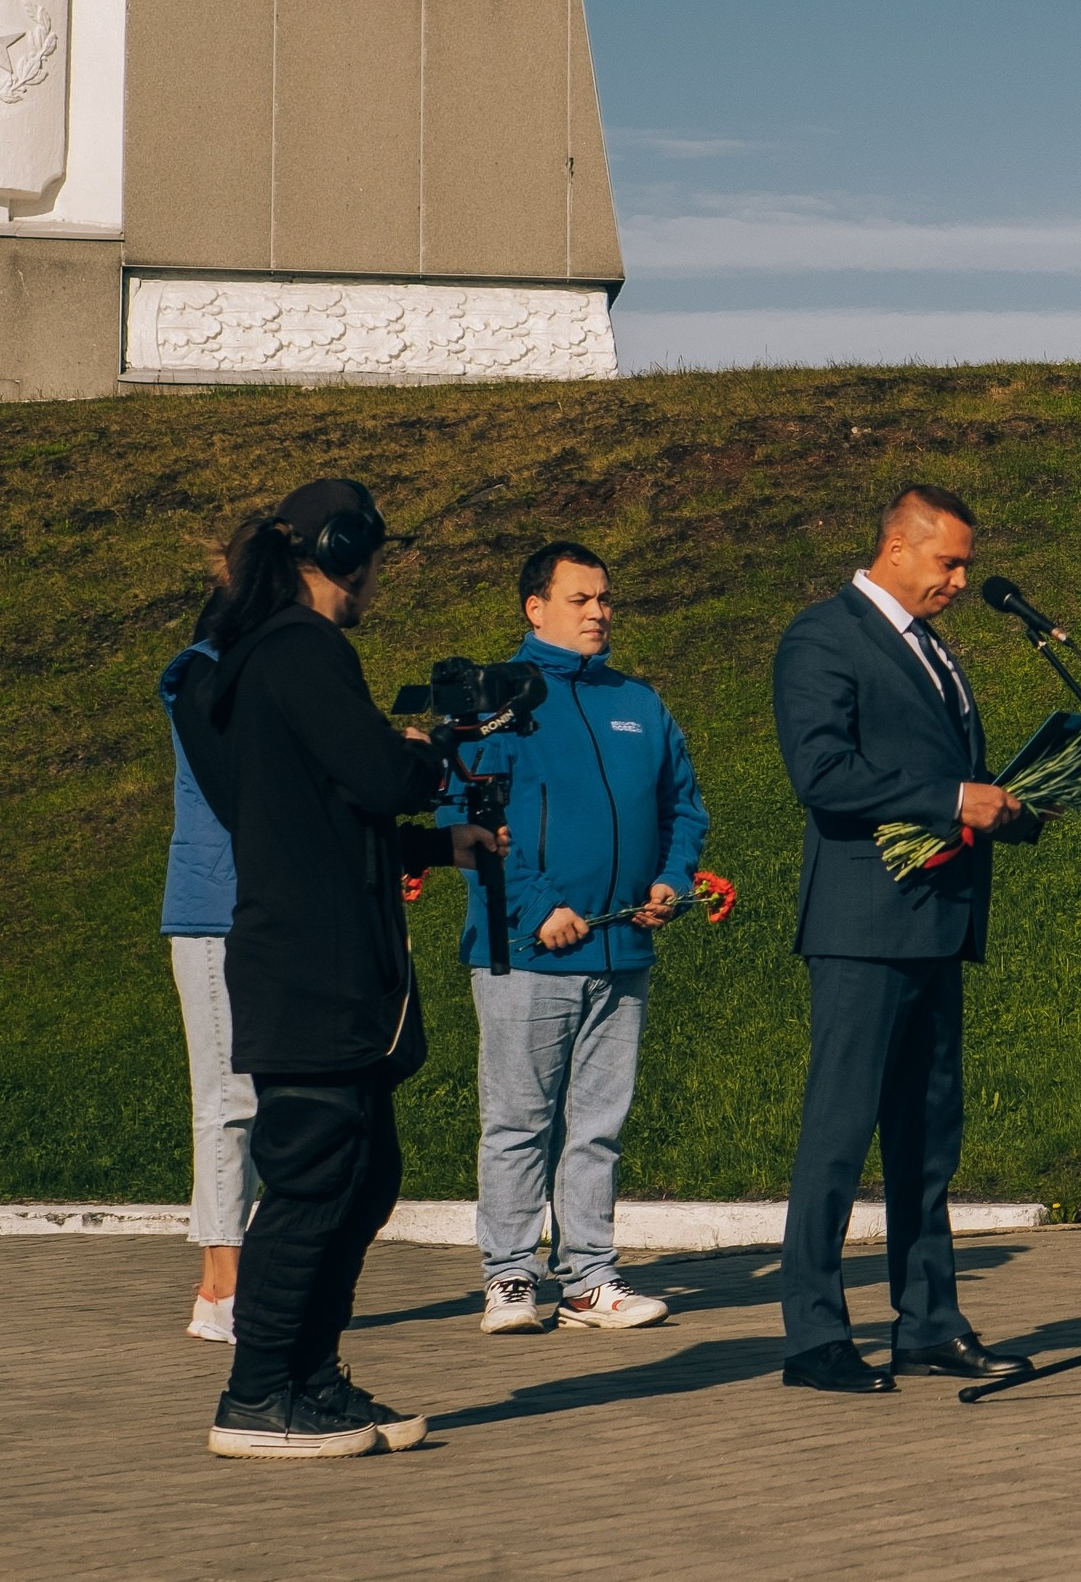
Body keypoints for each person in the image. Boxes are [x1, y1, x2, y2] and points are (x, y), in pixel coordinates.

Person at [193, 479, 501, 1457]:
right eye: (375, 558)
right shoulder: (301, 651)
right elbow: (372, 776)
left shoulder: (258, 660)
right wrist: (426, 753)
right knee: (316, 1181)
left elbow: (320, 820)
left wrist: (430, 847)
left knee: (364, 1179)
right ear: (344, 552)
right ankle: (253, 1399)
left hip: (315, 961)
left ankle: (312, 1380)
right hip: (311, 973)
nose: (378, 577)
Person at [770, 486, 1041, 1393]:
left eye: (965, 563)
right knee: (840, 1135)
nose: (961, 579)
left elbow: (941, 762)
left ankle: (928, 1321)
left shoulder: (931, 647)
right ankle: (813, 1335)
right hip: (863, 923)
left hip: (935, 919)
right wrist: (949, 799)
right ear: (895, 546)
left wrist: (1006, 799)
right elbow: (823, 771)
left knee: (928, 1139)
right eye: (948, 562)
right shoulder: (824, 635)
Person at [442, 542, 710, 1336]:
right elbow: (466, 818)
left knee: (598, 1124)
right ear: (535, 607)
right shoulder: (495, 698)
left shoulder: (639, 703)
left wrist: (672, 880)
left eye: (604, 598)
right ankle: (511, 1277)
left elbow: (683, 807)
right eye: (580, 598)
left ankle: (590, 1276)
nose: (599, 612)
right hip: (527, 951)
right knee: (520, 1119)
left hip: (621, 950)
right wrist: (532, 906)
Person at [160, 597, 256, 1344]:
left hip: (257, 911)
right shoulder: (203, 677)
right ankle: (219, 1289)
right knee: (227, 1100)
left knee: (253, 1100)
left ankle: (235, 1281)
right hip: (214, 914)